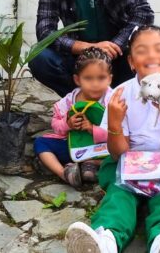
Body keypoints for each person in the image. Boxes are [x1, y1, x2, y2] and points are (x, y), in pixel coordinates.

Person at [65, 25, 160, 253]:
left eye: (159, 49)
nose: (151, 56)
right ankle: (105, 241)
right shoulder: (120, 95)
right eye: (142, 51)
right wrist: (114, 123)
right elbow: (118, 153)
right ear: (131, 61)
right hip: (129, 163)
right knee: (119, 198)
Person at [34, 47, 114, 187]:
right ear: (77, 79)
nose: (95, 84)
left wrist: (92, 129)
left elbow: (119, 130)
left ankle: (92, 163)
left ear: (110, 79)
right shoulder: (69, 101)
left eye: (101, 78)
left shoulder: (113, 100)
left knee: (125, 149)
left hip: (103, 147)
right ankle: (65, 173)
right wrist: (67, 124)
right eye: (88, 78)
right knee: (41, 143)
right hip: (75, 146)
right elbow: (56, 126)